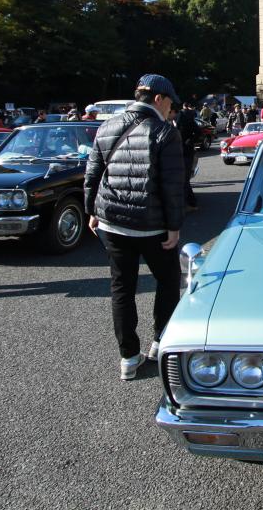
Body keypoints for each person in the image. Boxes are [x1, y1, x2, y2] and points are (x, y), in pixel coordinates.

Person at [84, 74, 185, 381]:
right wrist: (174, 226)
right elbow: (172, 187)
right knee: (168, 281)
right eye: (170, 102)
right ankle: (159, 343)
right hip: (152, 225)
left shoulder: (108, 125)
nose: (171, 108)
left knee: (121, 289)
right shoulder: (165, 133)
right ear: (158, 98)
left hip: (112, 222)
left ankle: (128, 357)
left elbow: (93, 174)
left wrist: (91, 211)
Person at [175, 101, 200, 210]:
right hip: (179, 151)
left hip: (185, 150)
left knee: (184, 179)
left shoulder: (183, 116)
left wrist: (190, 141)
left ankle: (189, 203)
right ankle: (190, 203)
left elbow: (198, 131)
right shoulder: (166, 121)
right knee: (183, 179)